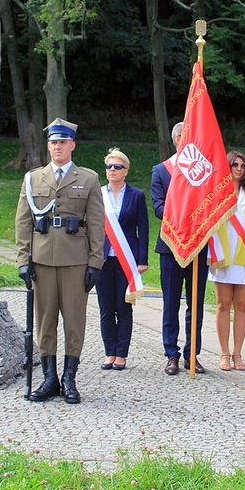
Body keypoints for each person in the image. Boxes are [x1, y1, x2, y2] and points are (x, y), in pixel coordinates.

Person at [15, 117, 105, 404]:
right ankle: (50, 377)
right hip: (42, 259)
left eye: (62, 142)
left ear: (72, 145)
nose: (57, 147)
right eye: (53, 142)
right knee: (45, 321)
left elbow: (96, 224)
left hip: (75, 260)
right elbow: (23, 222)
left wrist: (95, 262)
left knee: (75, 322)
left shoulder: (88, 179)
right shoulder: (33, 179)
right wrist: (22, 259)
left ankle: (69, 378)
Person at [151, 121, 207, 375]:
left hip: (197, 244)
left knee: (195, 304)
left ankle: (191, 354)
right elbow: (158, 207)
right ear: (175, 139)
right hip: (171, 245)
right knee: (171, 302)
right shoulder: (161, 170)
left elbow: (210, 203)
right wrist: (183, 214)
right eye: (183, 136)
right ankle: (171, 353)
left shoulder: (203, 171)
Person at [96, 148, 149, 371]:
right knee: (106, 307)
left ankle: (122, 353)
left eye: (117, 167)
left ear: (125, 171)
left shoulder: (136, 195)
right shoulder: (98, 194)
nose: (112, 170)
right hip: (103, 259)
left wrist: (142, 259)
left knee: (123, 306)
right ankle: (110, 352)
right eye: (109, 166)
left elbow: (144, 228)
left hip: (127, 258)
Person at [208, 150, 245, 371]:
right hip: (222, 253)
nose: (239, 169)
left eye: (243, 165)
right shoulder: (216, 192)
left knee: (241, 305)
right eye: (235, 164)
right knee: (223, 304)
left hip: (244, 254)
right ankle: (224, 353)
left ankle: (238, 353)